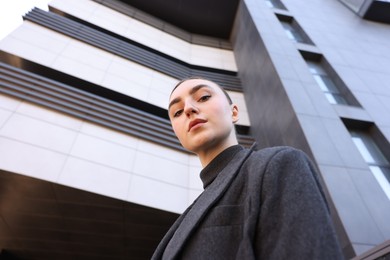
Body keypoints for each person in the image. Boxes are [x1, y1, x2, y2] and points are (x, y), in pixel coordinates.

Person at [152, 77, 344, 259]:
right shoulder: (179, 226)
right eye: (177, 112)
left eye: (203, 97)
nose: (188, 109)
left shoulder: (278, 164)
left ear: (234, 112)